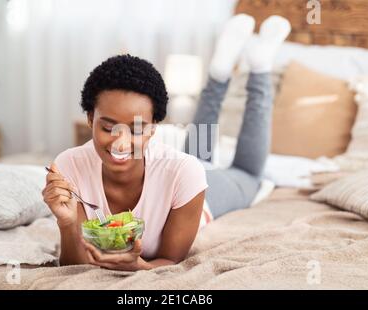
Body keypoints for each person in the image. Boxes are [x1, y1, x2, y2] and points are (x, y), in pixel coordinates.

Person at [41, 14, 291, 271]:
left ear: (153, 128)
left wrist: (136, 266)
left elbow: (170, 261)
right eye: (108, 127)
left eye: (137, 130)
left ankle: (259, 68)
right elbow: (74, 265)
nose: (121, 143)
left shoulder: (185, 173)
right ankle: (220, 69)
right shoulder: (69, 166)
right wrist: (67, 223)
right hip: (179, 172)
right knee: (198, 153)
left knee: (248, 173)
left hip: (203, 192)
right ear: (90, 118)